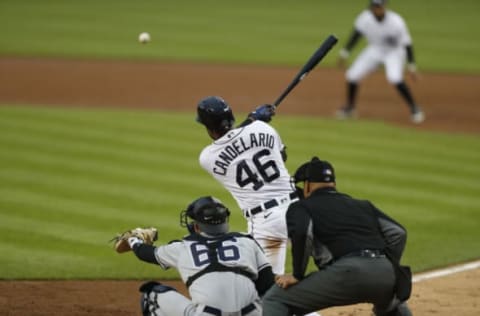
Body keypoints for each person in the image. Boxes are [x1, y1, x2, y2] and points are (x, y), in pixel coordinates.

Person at [262, 157, 413, 316]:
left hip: (346, 274)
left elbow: (302, 233)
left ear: (307, 185)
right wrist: (386, 265)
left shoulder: (301, 206)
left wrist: (297, 274)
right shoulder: (362, 205)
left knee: (275, 299)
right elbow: (398, 233)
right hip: (385, 273)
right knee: (392, 303)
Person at [196, 96, 298, 276]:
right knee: (328, 262)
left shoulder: (207, 158)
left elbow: (231, 142)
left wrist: (252, 119)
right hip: (299, 209)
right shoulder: (263, 127)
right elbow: (282, 157)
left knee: (268, 282)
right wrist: (254, 121)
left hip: (267, 223)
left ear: (207, 127)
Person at [126, 196, 275, 316]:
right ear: (225, 222)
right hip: (252, 312)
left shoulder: (183, 247)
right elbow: (268, 285)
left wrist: (133, 240)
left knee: (151, 295)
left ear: (197, 226)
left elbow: (146, 253)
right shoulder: (247, 241)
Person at [336, 0, 425, 124]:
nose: (377, 9)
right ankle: (350, 108)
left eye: (379, 7)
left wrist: (411, 66)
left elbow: (407, 44)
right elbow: (356, 35)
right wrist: (344, 53)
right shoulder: (365, 18)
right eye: (374, 7)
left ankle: (415, 108)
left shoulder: (396, 22)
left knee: (394, 78)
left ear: (384, 7)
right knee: (352, 75)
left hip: (394, 52)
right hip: (375, 49)